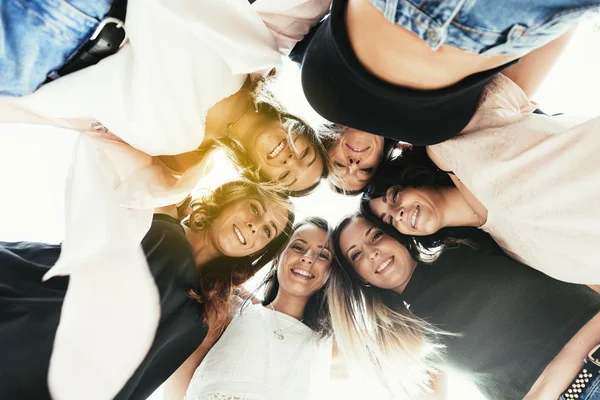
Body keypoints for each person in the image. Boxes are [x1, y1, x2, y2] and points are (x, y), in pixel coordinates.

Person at [0, 180, 294, 400]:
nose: (256, 226)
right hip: (30, 327)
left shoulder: (205, 312)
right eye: (255, 208)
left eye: (268, 231)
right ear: (232, 197)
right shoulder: (161, 215)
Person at [357, 73, 600, 286]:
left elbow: (543, 30)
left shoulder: (452, 144)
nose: (398, 213)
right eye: (389, 220)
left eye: (394, 196)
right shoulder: (507, 251)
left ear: (409, 177)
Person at [330, 214, 600, 399]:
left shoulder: (466, 241)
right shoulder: (410, 339)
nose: (372, 252)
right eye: (356, 255)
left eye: (375, 236)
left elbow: (567, 259)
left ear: (397, 235)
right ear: (360, 278)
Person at [299, 0, 599, 145]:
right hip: (509, 26)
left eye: (340, 165)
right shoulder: (441, 141)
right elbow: (515, 91)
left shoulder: (307, 73)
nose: (353, 163)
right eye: (363, 172)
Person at [163, 217, 334, 400]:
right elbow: (180, 371)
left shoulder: (326, 343)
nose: (307, 258)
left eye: (322, 255)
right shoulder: (233, 309)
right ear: (277, 257)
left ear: (332, 274)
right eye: (298, 247)